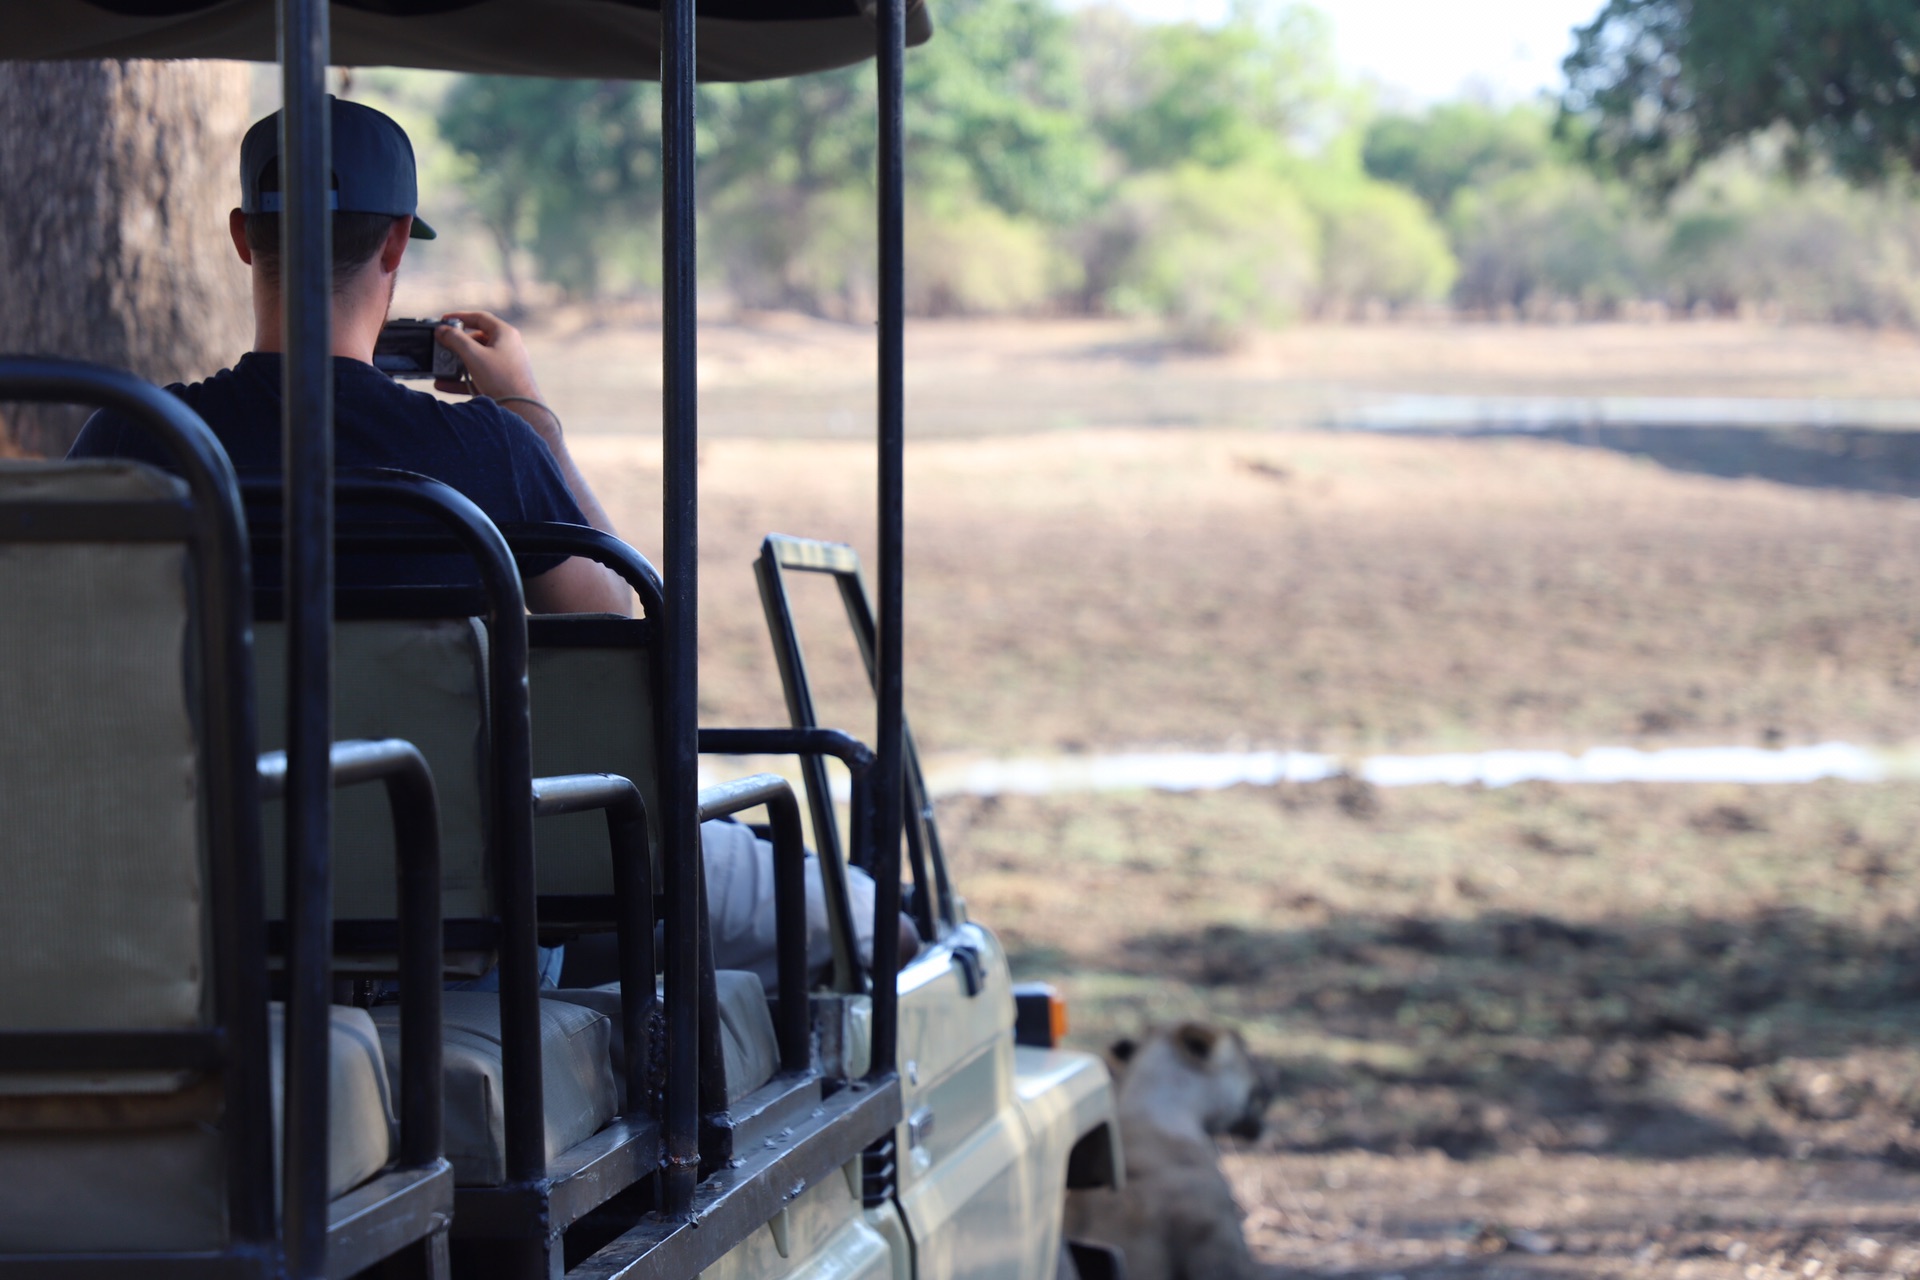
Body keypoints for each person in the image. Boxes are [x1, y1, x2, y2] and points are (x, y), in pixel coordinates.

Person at [69, 95, 917, 978]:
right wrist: (529, 416)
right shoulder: (487, 449)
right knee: (865, 920)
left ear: (246, 237)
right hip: (463, 917)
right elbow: (615, 625)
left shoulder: (135, 439)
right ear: (396, 244)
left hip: (199, 901)